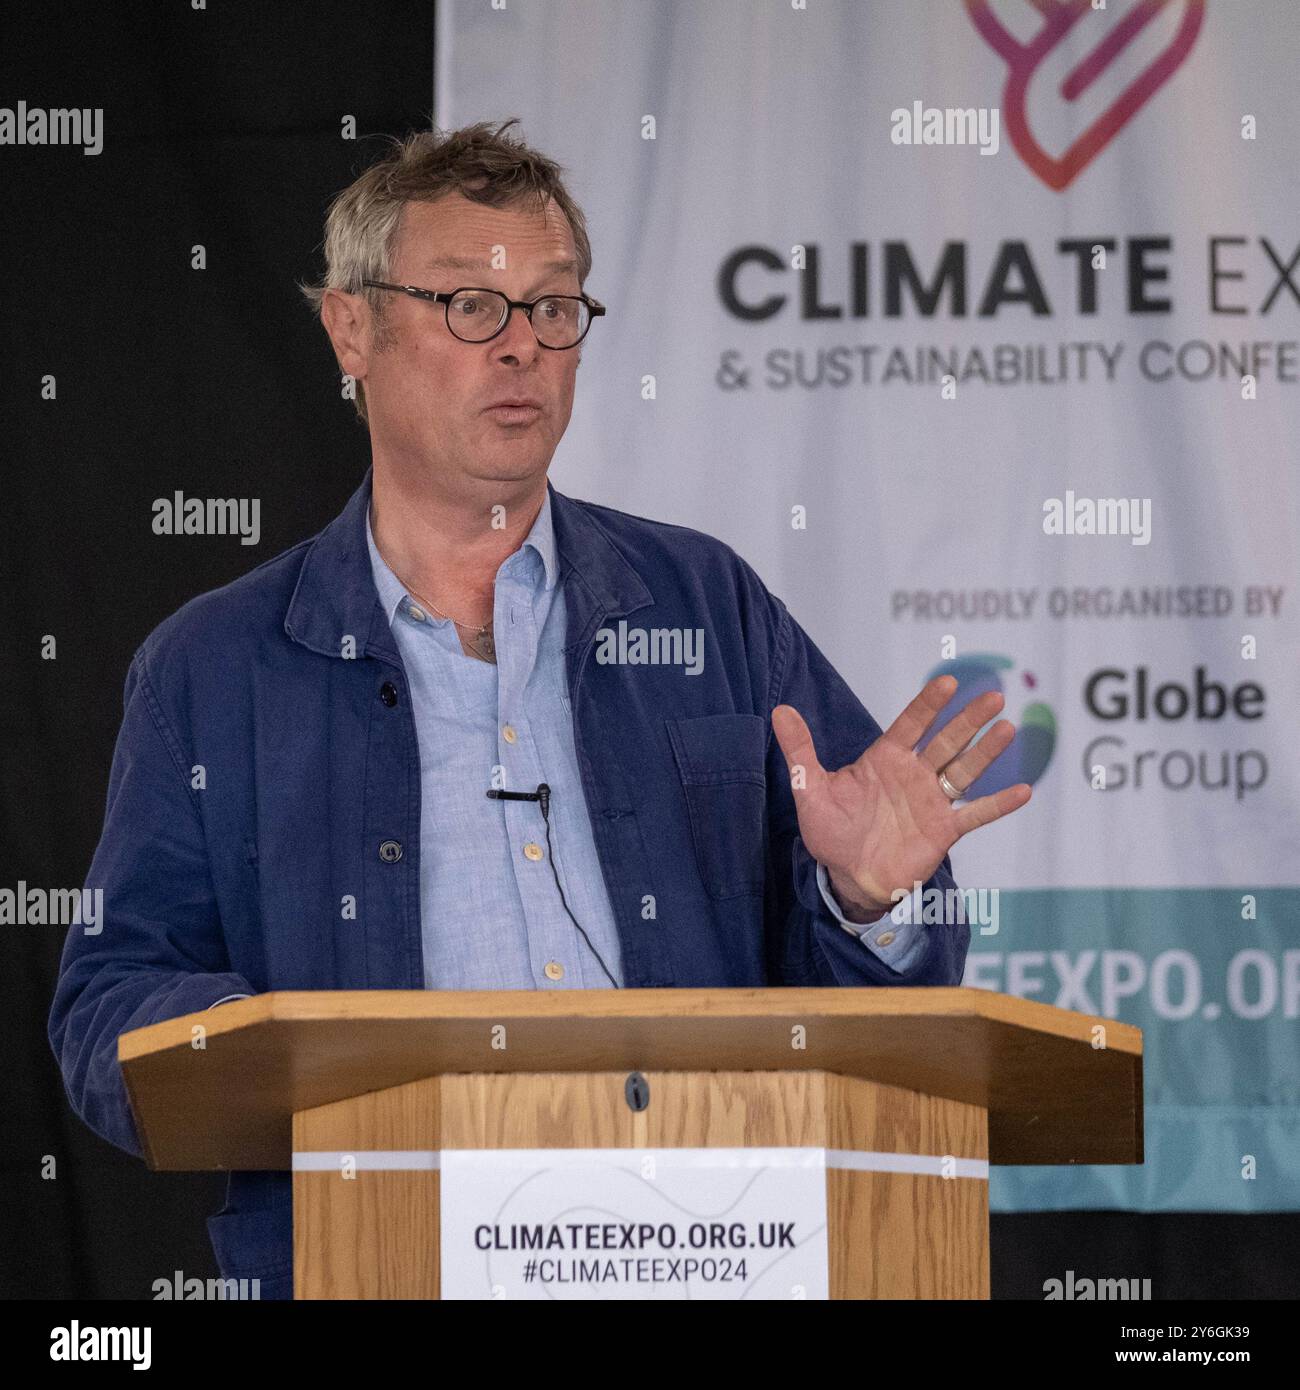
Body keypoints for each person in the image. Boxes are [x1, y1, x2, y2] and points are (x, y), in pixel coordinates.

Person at [48, 119, 1031, 1298]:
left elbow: (886, 983)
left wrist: (866, 897)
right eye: (470, 306)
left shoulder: (707, 605)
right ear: (350, 328)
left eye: (553, 308)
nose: (520, 348)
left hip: (708, 1246)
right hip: (377, 1261)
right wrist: (276, 1047)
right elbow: (107, 1007)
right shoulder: (212, 668)